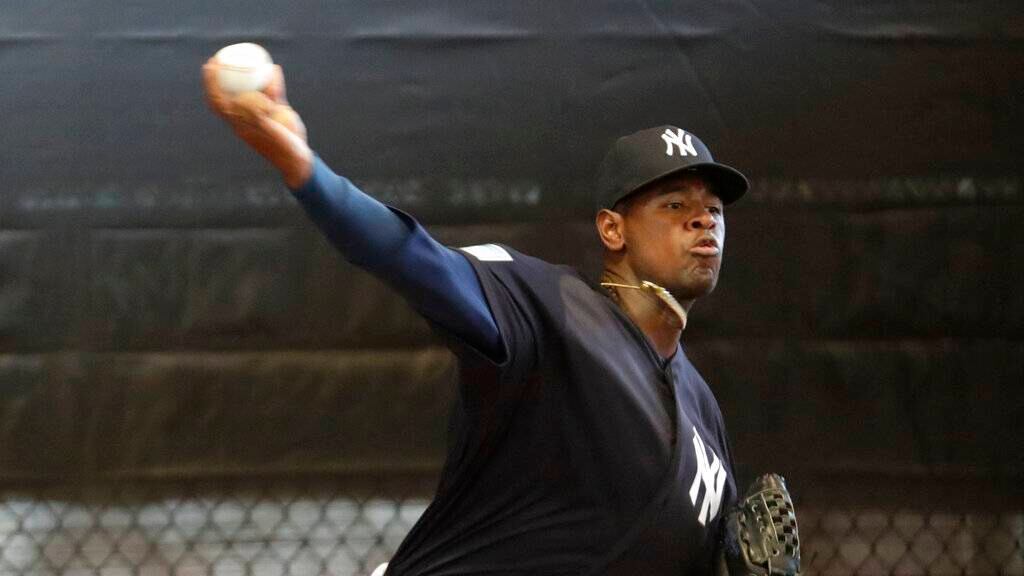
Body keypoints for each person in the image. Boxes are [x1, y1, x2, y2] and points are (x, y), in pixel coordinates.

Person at [203, 59, 749, 576]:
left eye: (713, 210)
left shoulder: (704, 417)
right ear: (613, 229)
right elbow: (411, 258)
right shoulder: (548, 305)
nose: (703, 221)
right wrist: (305, 169)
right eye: (674, 205)